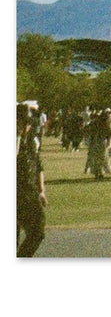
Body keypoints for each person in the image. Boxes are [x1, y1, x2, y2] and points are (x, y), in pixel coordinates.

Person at [17, 102, 47, 257]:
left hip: (30, 192)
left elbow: (38, 165)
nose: (26, 126)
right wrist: (17, 137)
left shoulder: (29, 142)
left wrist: (41, 190)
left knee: (38, 232)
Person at [84, 108, 111, 180]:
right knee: (102, 158)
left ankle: (97, 172)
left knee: (96, 158)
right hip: (102, 142)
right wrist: (109, 143)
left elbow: (88, 131)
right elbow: (110, 133)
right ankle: (100, 172)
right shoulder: (106, 124)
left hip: (96, 141)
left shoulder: (95, 123)